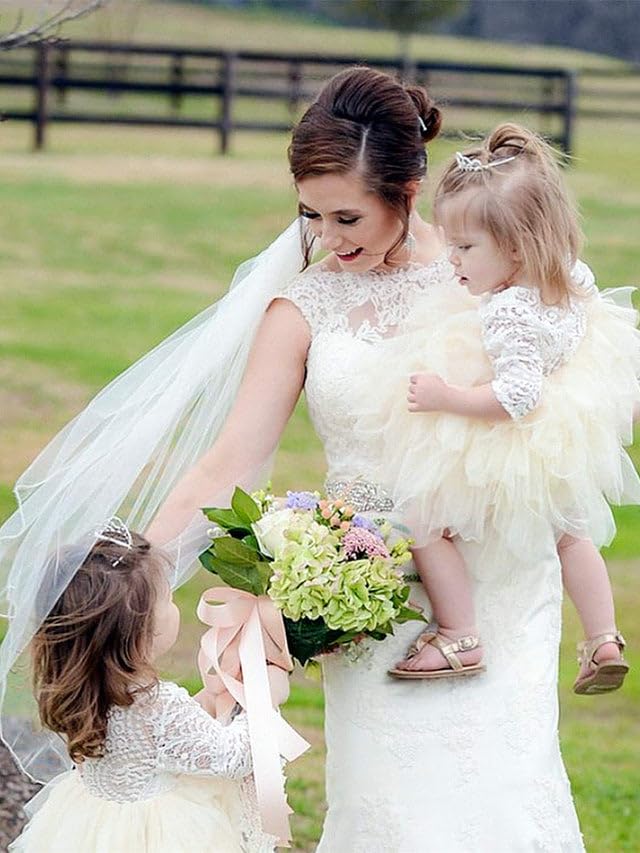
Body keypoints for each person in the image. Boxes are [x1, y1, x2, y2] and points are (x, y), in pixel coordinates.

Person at [0, 67, 590, 850]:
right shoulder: (305, 304)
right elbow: (232, 459)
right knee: (397, 812)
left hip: (504, 584)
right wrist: (124, 577)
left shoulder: (486, 269)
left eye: (348, 216)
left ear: (409, 187)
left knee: (508, 797)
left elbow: (566, 394)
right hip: (372, 596)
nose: (326, 238)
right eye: (310, 214)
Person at [364, 124, 639, 694]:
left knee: (422, 521)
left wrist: (446, 397)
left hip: (506, 441)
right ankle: (603, 637)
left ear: (514, 248)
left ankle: (459, 633)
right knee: (572, 535)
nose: (453, 260)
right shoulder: (568, 274)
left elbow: (516, 397)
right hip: (562, 437)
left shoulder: (507, 313)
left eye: (465, 249)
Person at [8, 521, 273, 853]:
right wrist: (258, 701)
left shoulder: (79, 689)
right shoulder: (160, 703)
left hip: (90, 823)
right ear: (139, 631)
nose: (174, 606)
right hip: (158, 834)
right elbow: (232, 757)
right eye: (168, 599)